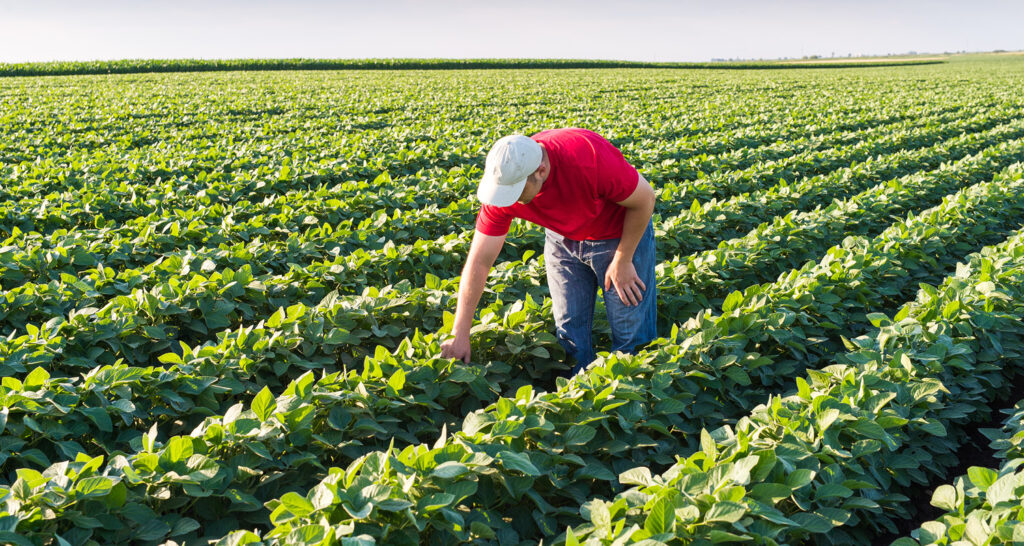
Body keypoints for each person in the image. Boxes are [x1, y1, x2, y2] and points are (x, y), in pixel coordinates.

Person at [440, 128, 658, 374]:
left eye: (517, 192)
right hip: (561, 239)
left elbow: (645, 199)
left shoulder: (586, 158)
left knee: (630, 332)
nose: (509, 201)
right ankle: (577, 397)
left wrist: (623, 259)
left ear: (541, 171)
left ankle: (635, 396)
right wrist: (459, 331)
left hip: (618, 234)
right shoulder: (504, 185)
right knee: (569, 332)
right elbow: (479, 261)